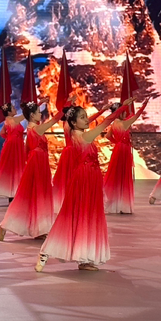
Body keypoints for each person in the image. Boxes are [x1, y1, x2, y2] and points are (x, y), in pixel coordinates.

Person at [35, 100, 129, 273]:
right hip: (84, 180)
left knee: (85, 217)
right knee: (79, 216)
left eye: (86, 117)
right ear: (73, 122)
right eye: (83, 117)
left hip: (90, 180)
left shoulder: (80, 134)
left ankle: (83, 258)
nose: (86, 120)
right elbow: (106, 123)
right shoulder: (82, 137)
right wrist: (121, 108)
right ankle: (47, 252)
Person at [0, 101, 63, 241]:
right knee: (37, 194)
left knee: (34, 195)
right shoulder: (36, 129)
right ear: (32, 115)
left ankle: (38, 228)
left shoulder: (31, 128)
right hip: (37, 164)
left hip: (38, 162)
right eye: (39, 112)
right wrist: (65, 108)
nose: (41, 114)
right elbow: (54, 120)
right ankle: (33, 227)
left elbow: (27, 149)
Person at [53, 105, 107, 211]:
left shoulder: (73, 126)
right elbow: (90, 121)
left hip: (75, 150)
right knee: (71, 178)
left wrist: (102, 111)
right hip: (72, 152)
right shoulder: (69, 127)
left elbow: (89, 120)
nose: (86, 119)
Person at [103, 98, 150, 214]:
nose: (125, 113)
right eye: (124, 111)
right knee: (123, 176)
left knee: (116, 175)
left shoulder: (114, 124)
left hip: (118, 149)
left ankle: (114, 203)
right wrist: (143, 106)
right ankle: (122, 204)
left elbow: (108, 136)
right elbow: (136, 117)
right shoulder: (123, 123)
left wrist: (117, 142)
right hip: (123, 150)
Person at [0, 102, 30, 202]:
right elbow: (27, 114)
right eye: (13, 108)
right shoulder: (13, 120)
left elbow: (1, 133)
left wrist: (9, 138)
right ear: (9, 112)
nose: (15, 109)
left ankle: (10, 194)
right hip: (14, 146)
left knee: (10, 169)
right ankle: (10, 193)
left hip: (13, 145)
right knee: (14, 169)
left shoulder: (8, 120)